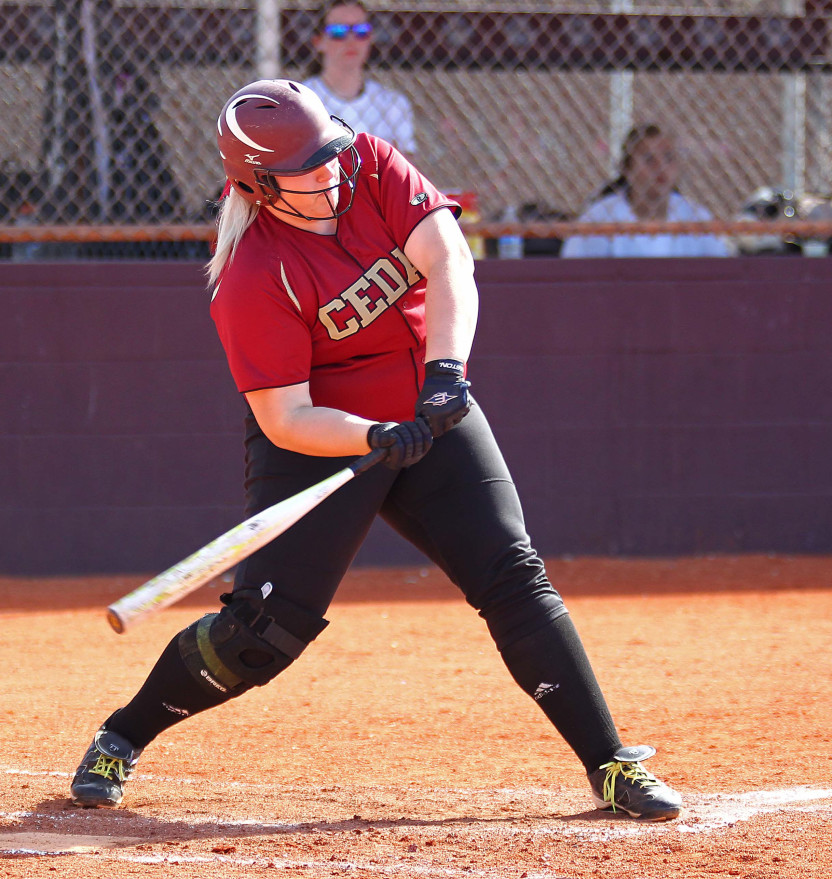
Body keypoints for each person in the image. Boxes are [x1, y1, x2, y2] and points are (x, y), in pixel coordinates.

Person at [69, 79, 682, 823]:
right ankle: (123, 734)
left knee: (512, 574)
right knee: (262, 635)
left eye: (329, 154)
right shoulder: (252, 274)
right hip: (322, 439)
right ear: (259, 188)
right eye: (305, 171)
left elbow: (451, 260)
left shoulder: (372, 163)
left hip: (429, 403)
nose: (331, 174)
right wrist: (372, 436)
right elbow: (287, 414)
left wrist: (446, 373)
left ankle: (610, 764)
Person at [561, 124, 732, 258]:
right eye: (649, 159)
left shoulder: (696, 216)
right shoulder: (600, 218)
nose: (661, 168)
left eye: (669, 158)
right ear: (627, 169)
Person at [301, 1, 416, 160]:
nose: (351, 40)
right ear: (318, 41)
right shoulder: (302, 101)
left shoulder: (392, 103)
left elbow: (403, 170)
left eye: (361, 31)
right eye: (338, 31)